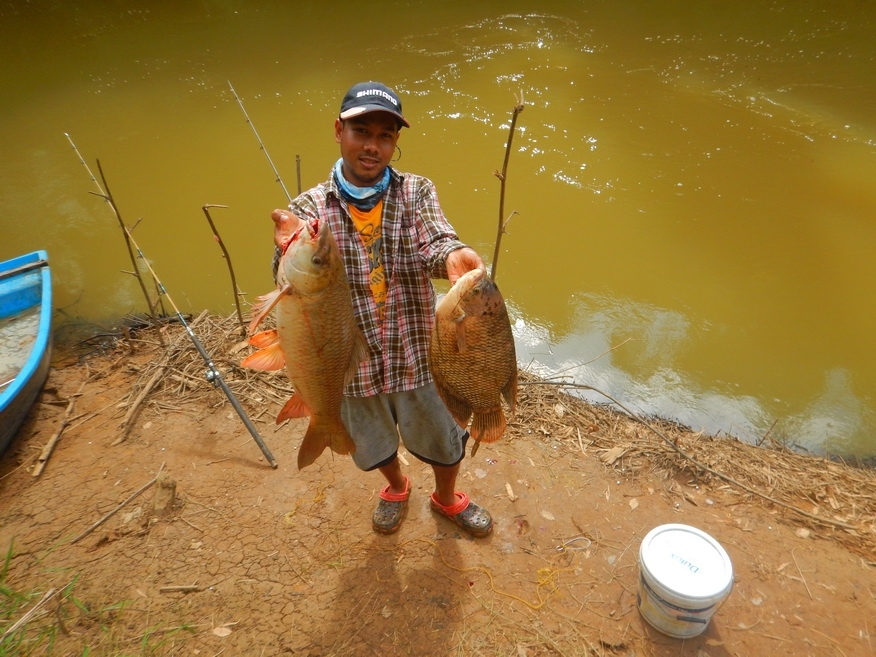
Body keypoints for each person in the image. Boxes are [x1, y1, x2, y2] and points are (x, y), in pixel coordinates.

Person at [272, 81, 493, 537]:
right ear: (338, 131)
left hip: (417, 357)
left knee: (444, 441)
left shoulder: (415, 193)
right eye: (361, 132)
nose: (372, 146)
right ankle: (396, 486)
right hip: (348, 368)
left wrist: (454, 255)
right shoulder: (309, 209)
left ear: (395, 143)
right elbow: (286, 277)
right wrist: (283, 249)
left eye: (385, 136)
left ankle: (446, 497)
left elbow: (436, 238)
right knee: (371, 445)